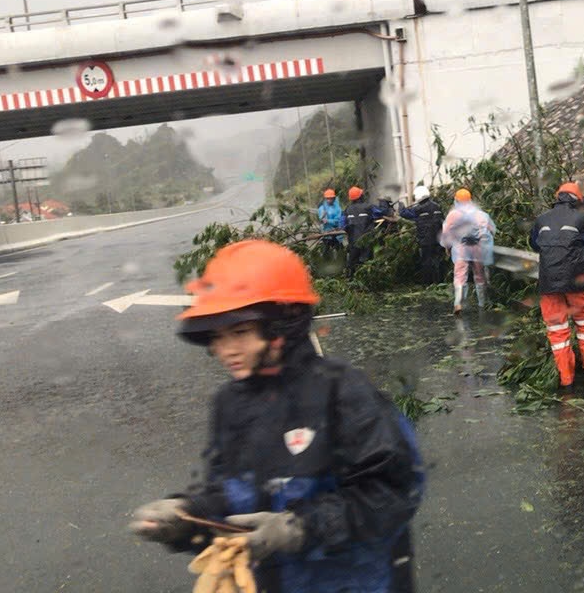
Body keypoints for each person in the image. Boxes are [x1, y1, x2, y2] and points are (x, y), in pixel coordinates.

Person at [129, 239, 424, 592]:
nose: (226, 350)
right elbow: (229, 490)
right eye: (218, 337)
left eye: (240, 332)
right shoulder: (230, 403)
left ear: (281, 327)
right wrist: (188, 515)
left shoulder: (343, 392)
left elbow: (393, 492)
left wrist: (300, 528)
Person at [529, 182, 584, 387]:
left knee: (557, 330)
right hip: (576, 280)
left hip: (548, 282)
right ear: (578, 200)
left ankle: (566, 379)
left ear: (557, 197)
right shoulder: (582, 218)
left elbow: (535, 244)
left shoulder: (541, 219)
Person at [438, 188, 495, 315]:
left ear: (456, 200)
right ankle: (482, 304)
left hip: (461, 250)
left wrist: (447, 248)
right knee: (479, 277)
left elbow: (446, 233)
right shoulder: (481, 214)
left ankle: (458, 303)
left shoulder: (453, 215)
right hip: (478, 249)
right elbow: (491, 230)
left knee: (460, 276)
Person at [400, 185, 446, 285]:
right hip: (439, 239)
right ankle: (440, 282)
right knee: (438, 260)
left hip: (425, 240)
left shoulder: (418, 209)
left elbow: (404, 214)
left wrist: (401, 204)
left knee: (426, 262)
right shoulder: (437, 206)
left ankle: (427, 283)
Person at [343, 186, 388, 278]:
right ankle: (366, 279)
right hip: (366, 239)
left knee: (352, 261)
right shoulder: (369, 207)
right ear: (360, 196)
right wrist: (383, 202)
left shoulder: (347, 209)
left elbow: (342, 224)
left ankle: (350, 280)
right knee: (366, 261)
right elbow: (382, 212)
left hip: (353, 241)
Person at [317, 188, 344, 253]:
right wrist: (322, 217)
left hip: (337, 233)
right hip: (326, 234)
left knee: (340, 251)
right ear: (325, 198)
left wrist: (328, 221)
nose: (329, 200)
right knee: (326, 252)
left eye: (331, 198)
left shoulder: (337, 208)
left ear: (334, 198)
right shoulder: (322, 208)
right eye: (327, 198)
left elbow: (338, 220)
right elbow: (321, 220)